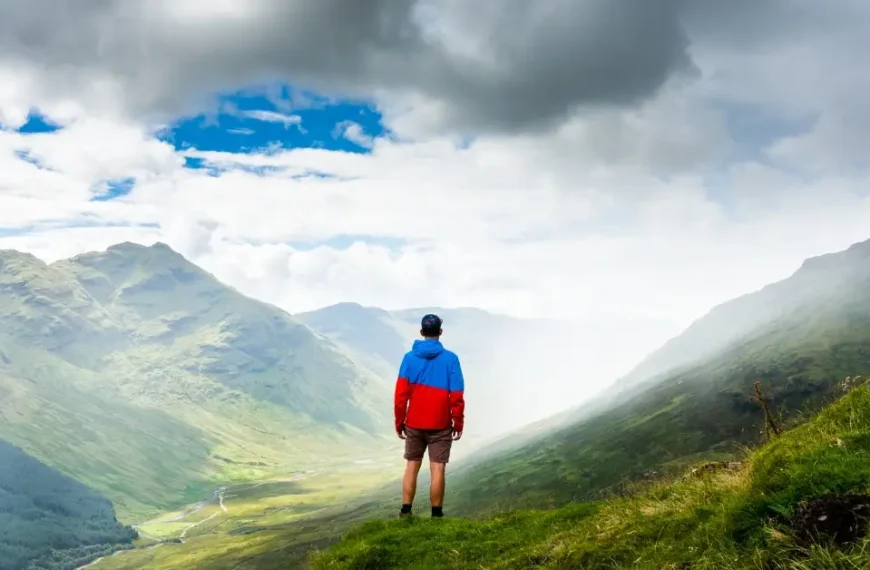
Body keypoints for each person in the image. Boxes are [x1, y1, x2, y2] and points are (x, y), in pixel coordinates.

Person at [394, 313, 465, 519]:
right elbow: (457, 396)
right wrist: (458, 422)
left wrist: (400, 422)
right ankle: (436, 515)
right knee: (438, 468)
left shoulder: (408, 358)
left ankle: (406, 511)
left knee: (411, 465)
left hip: (414, 423)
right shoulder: (451, 359)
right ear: (440, 333)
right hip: (441, 424)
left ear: (421, 332)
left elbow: (400, 396)